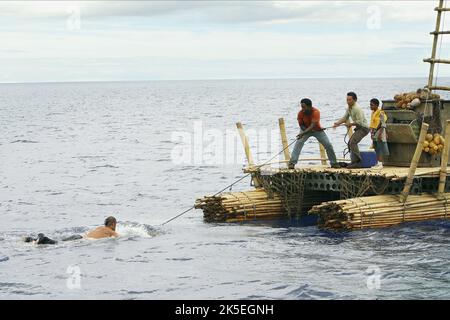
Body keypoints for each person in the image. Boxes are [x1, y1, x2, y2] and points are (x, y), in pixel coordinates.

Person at [288, 98, 339, 169]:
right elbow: (301, 125)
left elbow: (313, 125)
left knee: (328, 145)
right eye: (301, 107)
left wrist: (304, 133)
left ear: (309, 106)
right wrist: (304, 132)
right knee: (299, 143)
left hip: (317, 130)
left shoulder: (316, 112)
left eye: (304, 107)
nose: (302, 109)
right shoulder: (300, 113)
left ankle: (334, 163)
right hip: (305, 130)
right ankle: (292, 163)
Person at [333, 92, 370, 169]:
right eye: (347, 100)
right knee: (350, 143)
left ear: (355, 100)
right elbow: (345, 118)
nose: (348, 101)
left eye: (350, 100)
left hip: (364, 128)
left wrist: (350, 124)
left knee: (353, 142)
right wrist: (337, 123)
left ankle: (358, 162)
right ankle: (354, 162)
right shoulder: (349, 108)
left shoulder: (357, 109)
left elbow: (360, 122)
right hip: (359, 128)